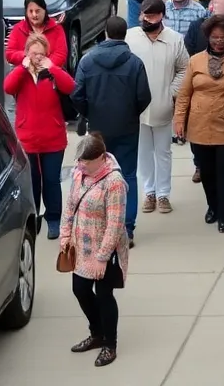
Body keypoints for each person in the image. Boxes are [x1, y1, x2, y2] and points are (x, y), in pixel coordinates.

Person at [71, 17, 151, 247]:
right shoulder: (134, 63)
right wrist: (131, 113)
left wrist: (89, 113)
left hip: (98, 129)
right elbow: (144, 96)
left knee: (97, 175)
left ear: (105, 33)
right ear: (124, 34)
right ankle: (126, 228)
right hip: (127, 127)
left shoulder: (88, 61)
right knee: (127, 175)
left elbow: (76, 94)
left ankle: (101, 224)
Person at [174, 14, 224, 233]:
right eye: (214, 37)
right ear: (208, 37)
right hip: (199, 124)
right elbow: (184, 94)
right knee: (207, 172)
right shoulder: (196, 60)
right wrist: (179, 119)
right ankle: (212, 206)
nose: (218, 41)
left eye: (223, 37)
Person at [61, 132, 130, 369]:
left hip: (105, 248)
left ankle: (110, 344)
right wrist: (65, 236)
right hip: (82, 245)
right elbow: (70, 206)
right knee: (79, 289)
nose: (80, 165)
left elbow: (115, 224)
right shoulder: (80, 174)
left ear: (100, 158)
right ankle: (96, 332)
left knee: (104, 294)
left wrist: (103, 258)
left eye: (86, 161)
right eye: (79, 161)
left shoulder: (114, 183)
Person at [4, 33, 75, 239]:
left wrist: (52, 67)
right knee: (32, 181)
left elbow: (70, 86)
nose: (37, 57)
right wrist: (22, 67)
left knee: (52, 180)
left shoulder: (53, 73)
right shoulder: (21, 74)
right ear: (26, 53)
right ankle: (33, 217)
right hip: (28, 140)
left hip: (53, 139)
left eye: (41, 54)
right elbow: (8, 87)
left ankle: (54, 219)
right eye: (33, 53)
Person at [126, 0, 189, 217]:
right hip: (138, 108)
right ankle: (149, 192)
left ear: (161, 16)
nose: (146, 18)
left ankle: (163, 194)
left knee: (163, 152)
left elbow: (184, 68)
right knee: (143, 152)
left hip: (163, 106)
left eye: (151, 15)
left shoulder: (174, 40)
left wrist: (171, 92)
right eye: (144, 14)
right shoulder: (130, 37)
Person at [6, 0, 68, 69]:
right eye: (31, 11)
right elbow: (10, 54)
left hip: (50, 73)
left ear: (44, 10)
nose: (34, 15)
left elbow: (61, 54)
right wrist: (26, 55)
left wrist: (46, 64)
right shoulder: (18, 29)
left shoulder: (57, 29)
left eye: (37, 11)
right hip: (24, 73)